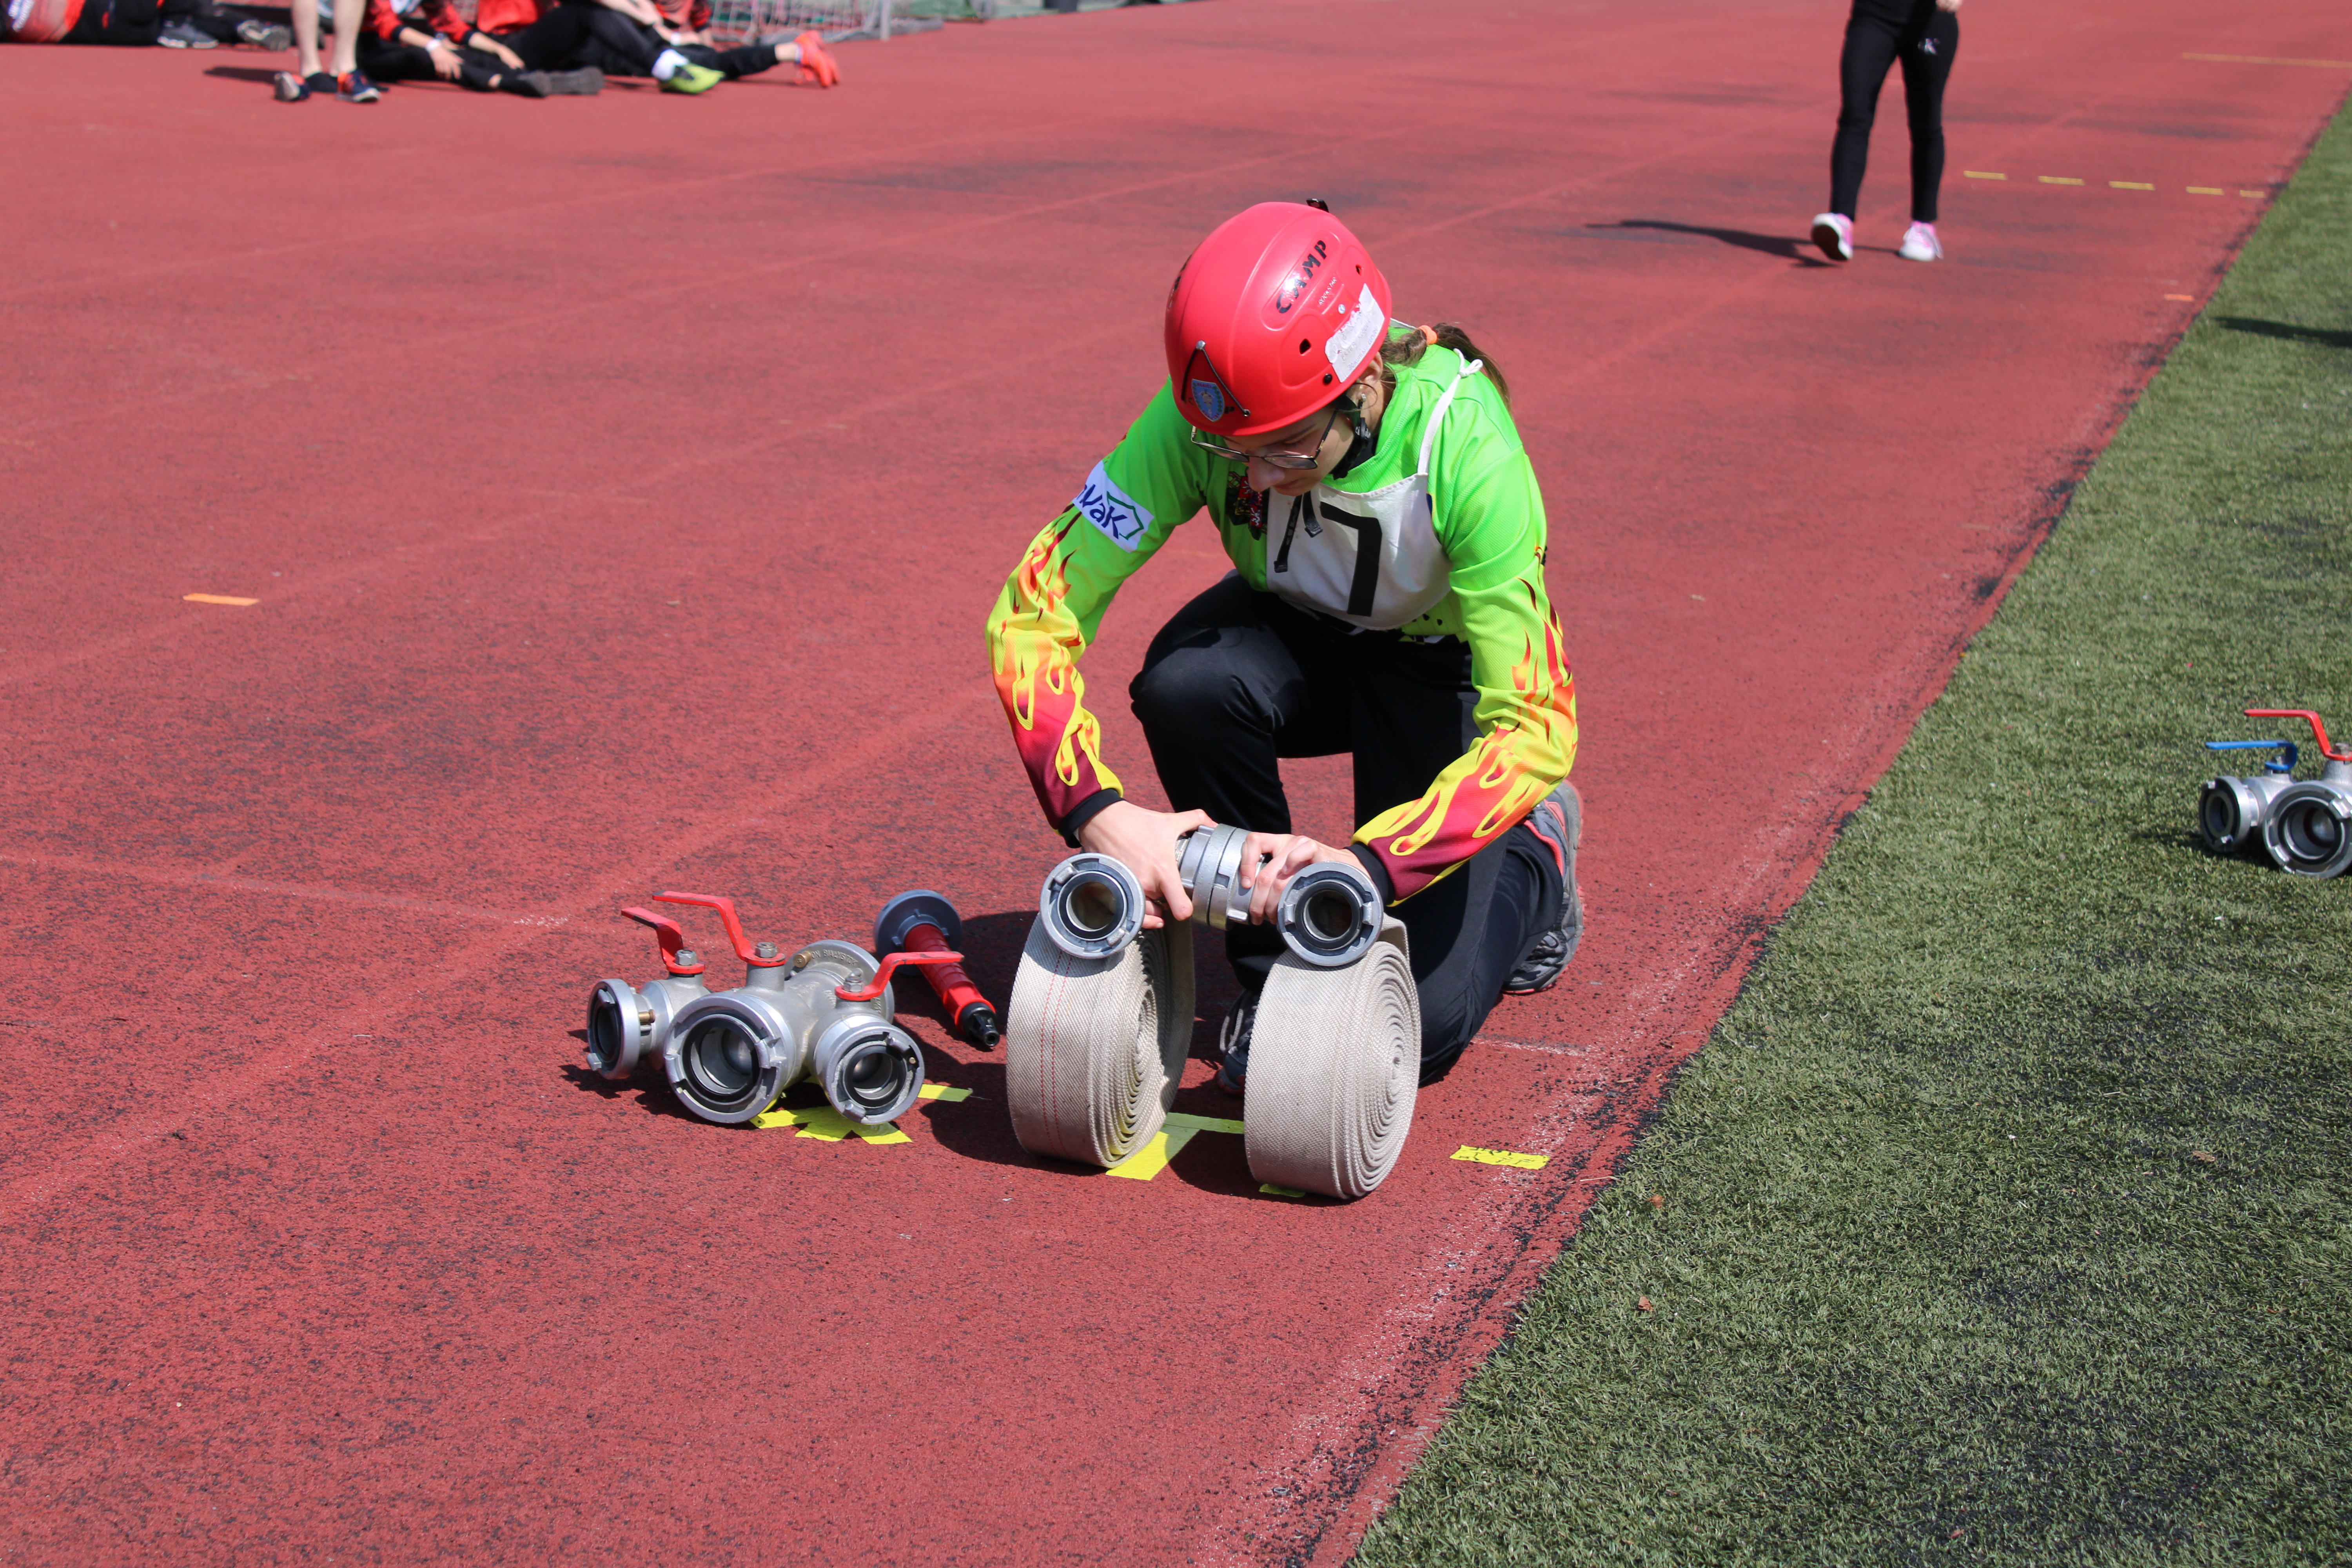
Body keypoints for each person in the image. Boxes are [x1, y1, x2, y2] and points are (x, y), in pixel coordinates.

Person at [984, 201, 1582, 1093]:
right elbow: (1034, 612)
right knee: (1187, 688)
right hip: (1297, 630)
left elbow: (1535, 724)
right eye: (1228, 448)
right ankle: (1273, 973)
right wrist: (1096, 812)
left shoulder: (1469, 448)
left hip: (1431, 666)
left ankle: (1540, 852)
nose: (1251, 474)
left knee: (1421, 1035)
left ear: (1362, 380)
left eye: (1286, 449)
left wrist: (1369, 866)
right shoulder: (1210, 415)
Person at [1810, 0, 1962, 264]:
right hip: (1874, 16)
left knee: (1925, 122)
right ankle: (1841, 220)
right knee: (1854, 114)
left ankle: (1923, 227)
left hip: (1929, 20)